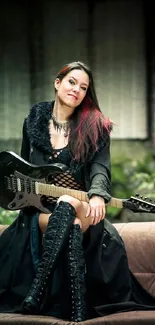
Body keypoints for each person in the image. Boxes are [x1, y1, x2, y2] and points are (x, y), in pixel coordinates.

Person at [0, 61, 155, 322]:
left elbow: (100, 169)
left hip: (85, 210)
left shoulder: (95, 126)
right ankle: (76, 306)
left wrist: (96, 195)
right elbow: (23, 167)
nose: (77, 90)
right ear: (57, 83)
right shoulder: (33, 121)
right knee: (67, 216)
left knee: (70, 201)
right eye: (72, 82)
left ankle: (38, 289)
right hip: (40, 212)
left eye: (84, 87)